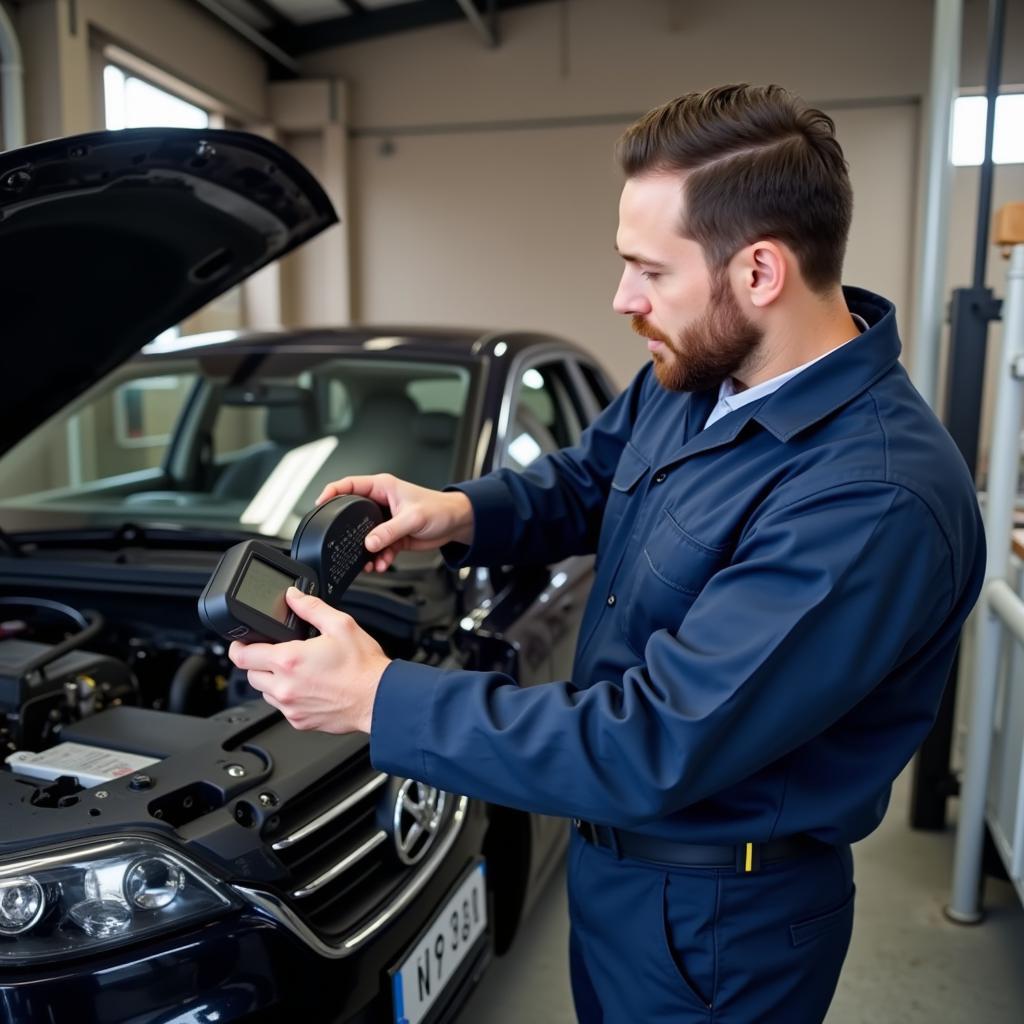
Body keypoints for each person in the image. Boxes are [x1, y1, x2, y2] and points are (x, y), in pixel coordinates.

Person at [228, 84, 986, 1023]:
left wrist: (379, 698)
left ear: (759, 272)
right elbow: (589, 479)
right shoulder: (698, 371)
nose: (622, 299)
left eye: (649, 270)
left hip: (718, 926)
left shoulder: (869, 497)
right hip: (620, 874)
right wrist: (456, 511)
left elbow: (652, 739)